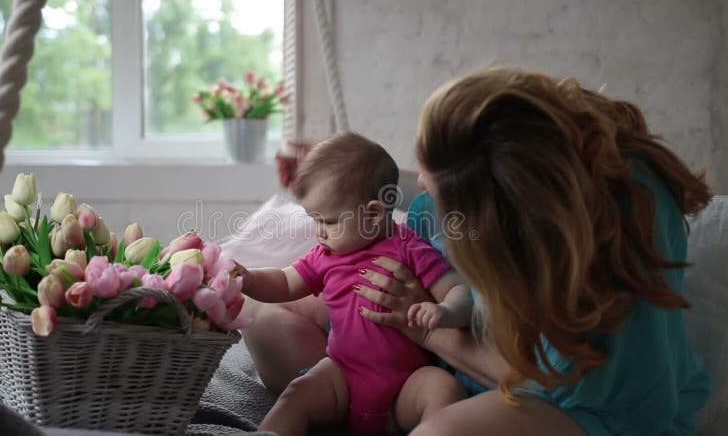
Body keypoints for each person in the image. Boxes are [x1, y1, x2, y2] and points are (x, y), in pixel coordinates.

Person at [241, 66, 715, 435]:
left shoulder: (604, 232)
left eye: (436, 187)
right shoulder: (490, 173)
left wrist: (421, 324)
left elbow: (541, 373)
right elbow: (398, 196)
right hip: (414, 357)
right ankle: (351, 405)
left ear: (499, 216)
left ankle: (369, 409)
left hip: (566, 401)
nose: (421, 183)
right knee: (269, 324)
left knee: (443, 429)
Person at [237, 131, 472, 436]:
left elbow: (457, 290)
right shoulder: (326, 253)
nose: (318, 231)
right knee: (297, 394)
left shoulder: (408, 248)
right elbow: (284, 282)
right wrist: (248, 278)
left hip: (403, 386)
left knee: (444, 389)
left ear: (373, 213)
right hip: (343, 377)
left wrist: (446, 311)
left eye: (328, 221)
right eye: (314, 218)